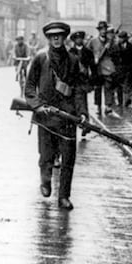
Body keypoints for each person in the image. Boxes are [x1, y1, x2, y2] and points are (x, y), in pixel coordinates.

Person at [24, 21, 88, 211]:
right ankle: (45, 180)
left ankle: (64, 196)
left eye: (59, 35)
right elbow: (29, 88)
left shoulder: (73, 60)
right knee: (46, 156)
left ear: (65, 37)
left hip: (67, 117)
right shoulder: (40, 58)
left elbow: (78, 90)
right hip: (45, 116)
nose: (56, 39)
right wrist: (37, 106)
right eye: (53, 36)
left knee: (68, 159)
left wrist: (83, 113)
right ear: (48, 38)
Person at [87, 21, 116, 116]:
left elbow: (116, 53)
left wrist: (109, 48)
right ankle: (98, 106)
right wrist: (93, 59)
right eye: (101, 29)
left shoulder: (111, 41)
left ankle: (108, 106)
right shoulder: (93, 41)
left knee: (108, 87)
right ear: (99, 31)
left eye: (105, 29)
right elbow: (87, 52)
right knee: (98, 88)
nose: (103, 31)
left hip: (108, 67)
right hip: (97, 68)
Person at [112, 30, 132, 108]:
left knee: (127, 86)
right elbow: (113, 58)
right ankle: (120, 102)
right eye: (120, 38)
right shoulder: (115, 47)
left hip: (128, 69)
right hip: (118, 69)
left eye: (123, 38)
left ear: (126, 38)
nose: (121, 39)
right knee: (119, 87)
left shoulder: (131, 47)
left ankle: (126, 102)